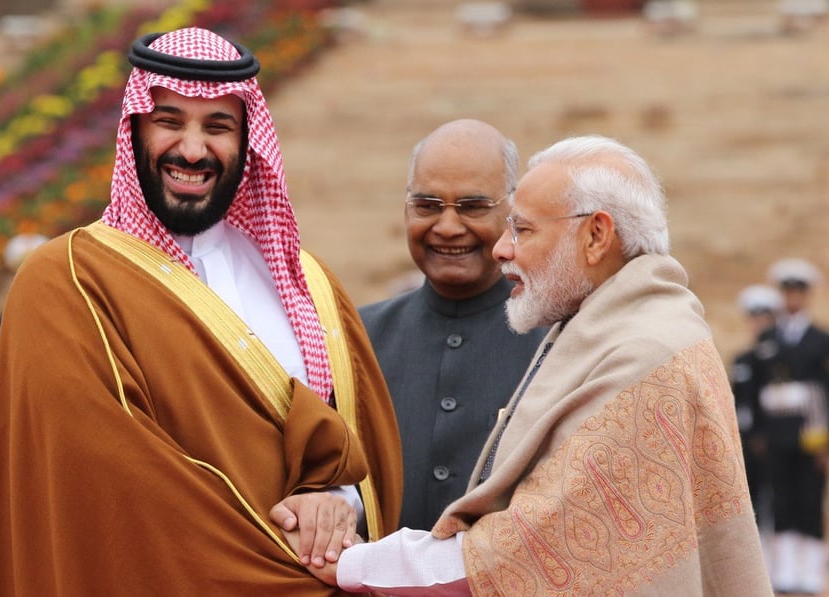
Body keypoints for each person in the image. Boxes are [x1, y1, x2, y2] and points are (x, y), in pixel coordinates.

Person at [0, 27, 402, 596]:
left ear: (248, 143)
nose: (192, 151)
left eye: (217, 128)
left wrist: (336, 504)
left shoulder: (308, 284)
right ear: (135, 129)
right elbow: (109, 481)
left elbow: (369, 453)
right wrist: (281, 567)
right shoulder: (66, 281)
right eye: (170, 122)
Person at [279, 135, 771, 595]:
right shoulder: (615, 328)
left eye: (521, 228)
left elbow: (533, 547)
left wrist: (352, 565)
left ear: (596, 235)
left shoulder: (640, 354)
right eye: (427, 205)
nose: (502, 248)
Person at [358, 119, 546, 531]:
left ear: (513, 213)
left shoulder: (558, 343)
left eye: (473, 206)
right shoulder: (354, 339)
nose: (446, 227)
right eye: (426, 205)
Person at [744, 258, 829, 594]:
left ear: (806, 295)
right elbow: (759, 391)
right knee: (780, 501)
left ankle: (809, 574)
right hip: (776, 432)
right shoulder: (768, 339)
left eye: (798, 291)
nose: (792, 298)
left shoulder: (820, 340)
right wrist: (760, 435)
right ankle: (784, 572)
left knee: (809, 499)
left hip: (811, 433)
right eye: (787, 291)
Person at [728, 284, 782, 532]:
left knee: (774, 497)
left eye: (764, 318)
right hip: (743, 438)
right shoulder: (743, 360)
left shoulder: (778, 361)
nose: (758, 324)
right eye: (753, 318)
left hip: (770, 438)